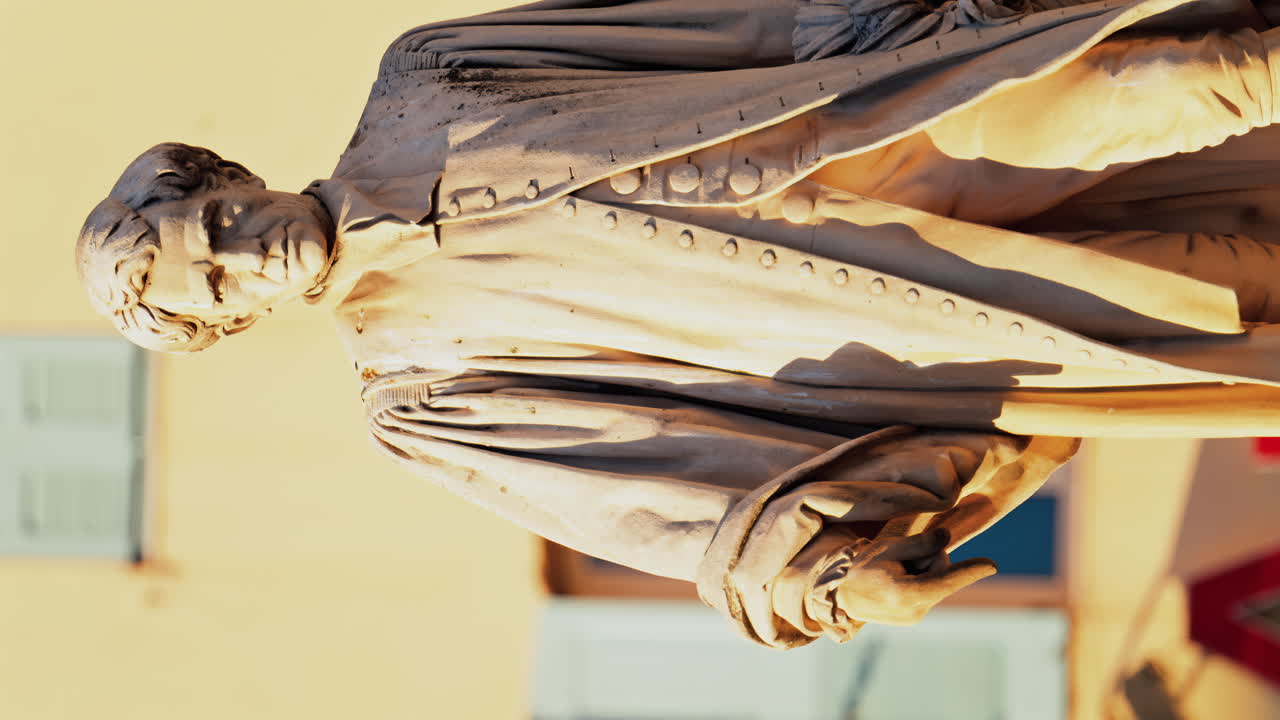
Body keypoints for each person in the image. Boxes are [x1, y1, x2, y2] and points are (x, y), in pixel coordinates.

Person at [77, 0, 1280, 648]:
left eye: (218, 224)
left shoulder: (430, 74)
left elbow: (696, 31)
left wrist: (877, 26)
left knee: (1188, 80)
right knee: (1230, 293)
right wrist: (821, 575)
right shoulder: (422, 397)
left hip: (894, 118)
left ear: (229, 178)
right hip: (910, 306)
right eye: (220, 284)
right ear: (233, 324)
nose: (245, 253)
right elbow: (647, 499)